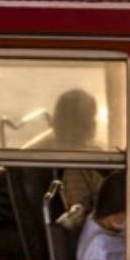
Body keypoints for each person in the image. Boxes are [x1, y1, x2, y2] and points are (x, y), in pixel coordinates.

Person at [53, 87, 104, 215]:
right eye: (90, 117)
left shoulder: (94, 151)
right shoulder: (75, 169)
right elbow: (79, 214)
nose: (94, 122)